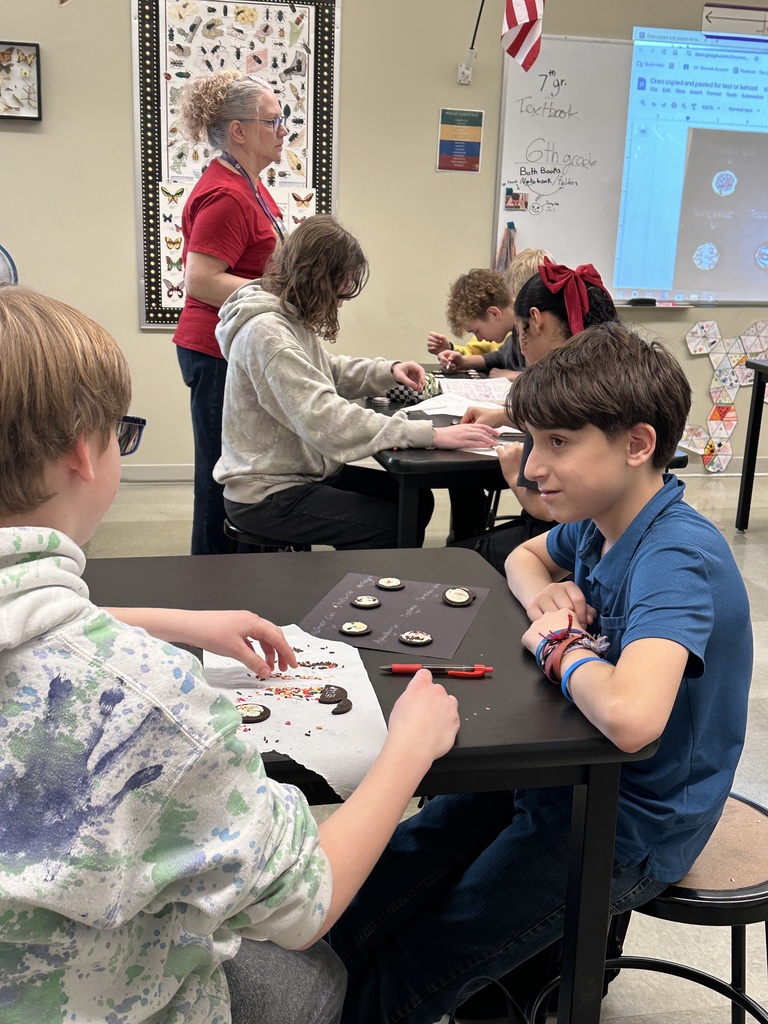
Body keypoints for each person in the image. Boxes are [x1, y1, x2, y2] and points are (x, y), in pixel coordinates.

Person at [0, 285, 462, 1024]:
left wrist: (177, 621)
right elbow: (305, 902)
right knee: (311, 970)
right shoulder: (146, 701)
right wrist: (406, 750)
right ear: (81, 453)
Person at [330, 322, 752, 1024]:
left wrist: (559, 645)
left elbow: (631, 716)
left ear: (637, 444)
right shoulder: (601, 518)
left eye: (558, 444)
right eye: (530, 441)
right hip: (564, 775)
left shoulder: (677, 557)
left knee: (430, 951)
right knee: (379, 880)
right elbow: (526, 559)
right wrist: (545, 595)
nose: (530, 469)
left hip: (634, 821)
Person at [215, 215, 499, 550]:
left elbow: (325, 370)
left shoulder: (286, 316)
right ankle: (359, 597)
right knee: (391, 525)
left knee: (415, 502)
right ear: (318, 278)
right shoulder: (268, 334)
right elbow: (325, 417)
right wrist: (431, 435)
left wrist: (386, 371)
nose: (341, 300)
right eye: (341, 287)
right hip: (268, 493)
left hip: (299, 472)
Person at [173, 71, 288, 556]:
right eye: (274, 120)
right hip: (215, 351)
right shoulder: (226, 192)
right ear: (238, 130)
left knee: (239, 471)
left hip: (234, 346)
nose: (284, 130)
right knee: (221, 475)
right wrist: (284, 300)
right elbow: (201, 279)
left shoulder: (251, 186)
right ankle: (210, 590)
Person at [454, 260, 619, 572]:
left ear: (535, 319)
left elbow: (545, 510)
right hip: (598, 535)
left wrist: (515, 474)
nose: (522, 349)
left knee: (455, 558)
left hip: (566, 536)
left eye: (519, 334)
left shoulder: (553, 386)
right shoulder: (612, 370)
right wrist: (504, 416)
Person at [430, 251, 552, 380]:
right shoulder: (516, 328)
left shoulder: (535, 326)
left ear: (494, 313)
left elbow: (551, 376)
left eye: (476, 331)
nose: (479, 338)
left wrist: (512, 375)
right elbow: (501, 357)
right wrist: (463, 362)